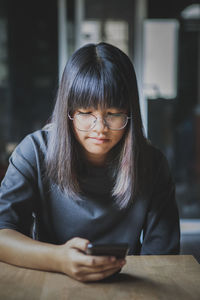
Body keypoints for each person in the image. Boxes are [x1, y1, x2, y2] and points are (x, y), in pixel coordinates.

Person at [0, 42, 180, 282]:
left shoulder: (152, 164)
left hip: (129, 284)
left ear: (130, 112)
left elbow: (163, 258)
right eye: (86, 113)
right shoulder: (34, 151)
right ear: (69, 111)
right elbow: (3, 233)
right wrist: (59, 259)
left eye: (113, 114)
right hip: (49, 282)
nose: (100, 128)